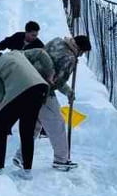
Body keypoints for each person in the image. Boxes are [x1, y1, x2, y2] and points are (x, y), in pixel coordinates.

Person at [0, 49, 50, 173]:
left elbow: (0, 95)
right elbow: (39, 53)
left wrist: (4, 117)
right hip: (40, 88)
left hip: (20, 93)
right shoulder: (16, 53)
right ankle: (27, 171)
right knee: (27, 131)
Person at [36, 34, 92, 170]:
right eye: (83, 52)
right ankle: (61, 160)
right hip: (43, 90)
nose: (81, 55)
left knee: (34, 124)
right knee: (57, 123)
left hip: (30, 80)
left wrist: (67, 91)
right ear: (79, 48)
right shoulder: (69, 58)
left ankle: (20, 156)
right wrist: (68, 91)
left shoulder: (57, 41)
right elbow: (58, 81)